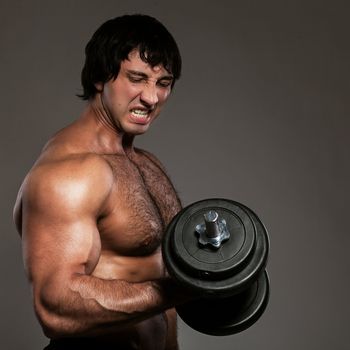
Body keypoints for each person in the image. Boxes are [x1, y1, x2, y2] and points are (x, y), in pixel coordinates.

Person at [13, 14, 191, 350]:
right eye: (137, 79)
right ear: (100, 78)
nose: (151, 98)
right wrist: (179, 291)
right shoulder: (68, 173)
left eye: (163, 83)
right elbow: (55, 306)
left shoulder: (144, 163)